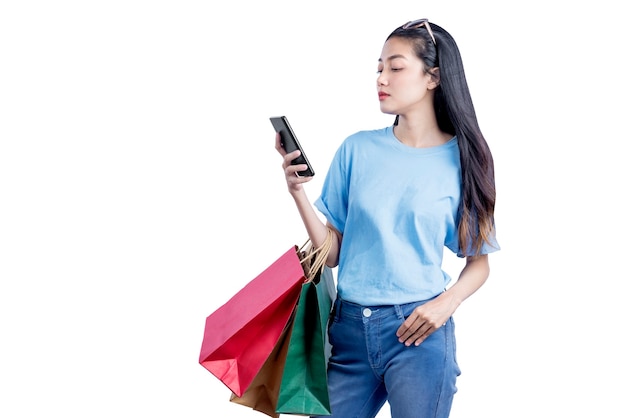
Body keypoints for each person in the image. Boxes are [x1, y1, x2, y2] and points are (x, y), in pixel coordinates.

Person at [275, 18, 500, 418]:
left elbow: (478, 263)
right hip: (346, 331)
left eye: (395, 67)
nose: (381, 78)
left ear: (433, 77)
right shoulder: (357, 149)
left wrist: (446, 304)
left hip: (419, 334)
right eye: (379, 67)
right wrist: (298, 193)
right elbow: (331, 255)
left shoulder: (463, 162)